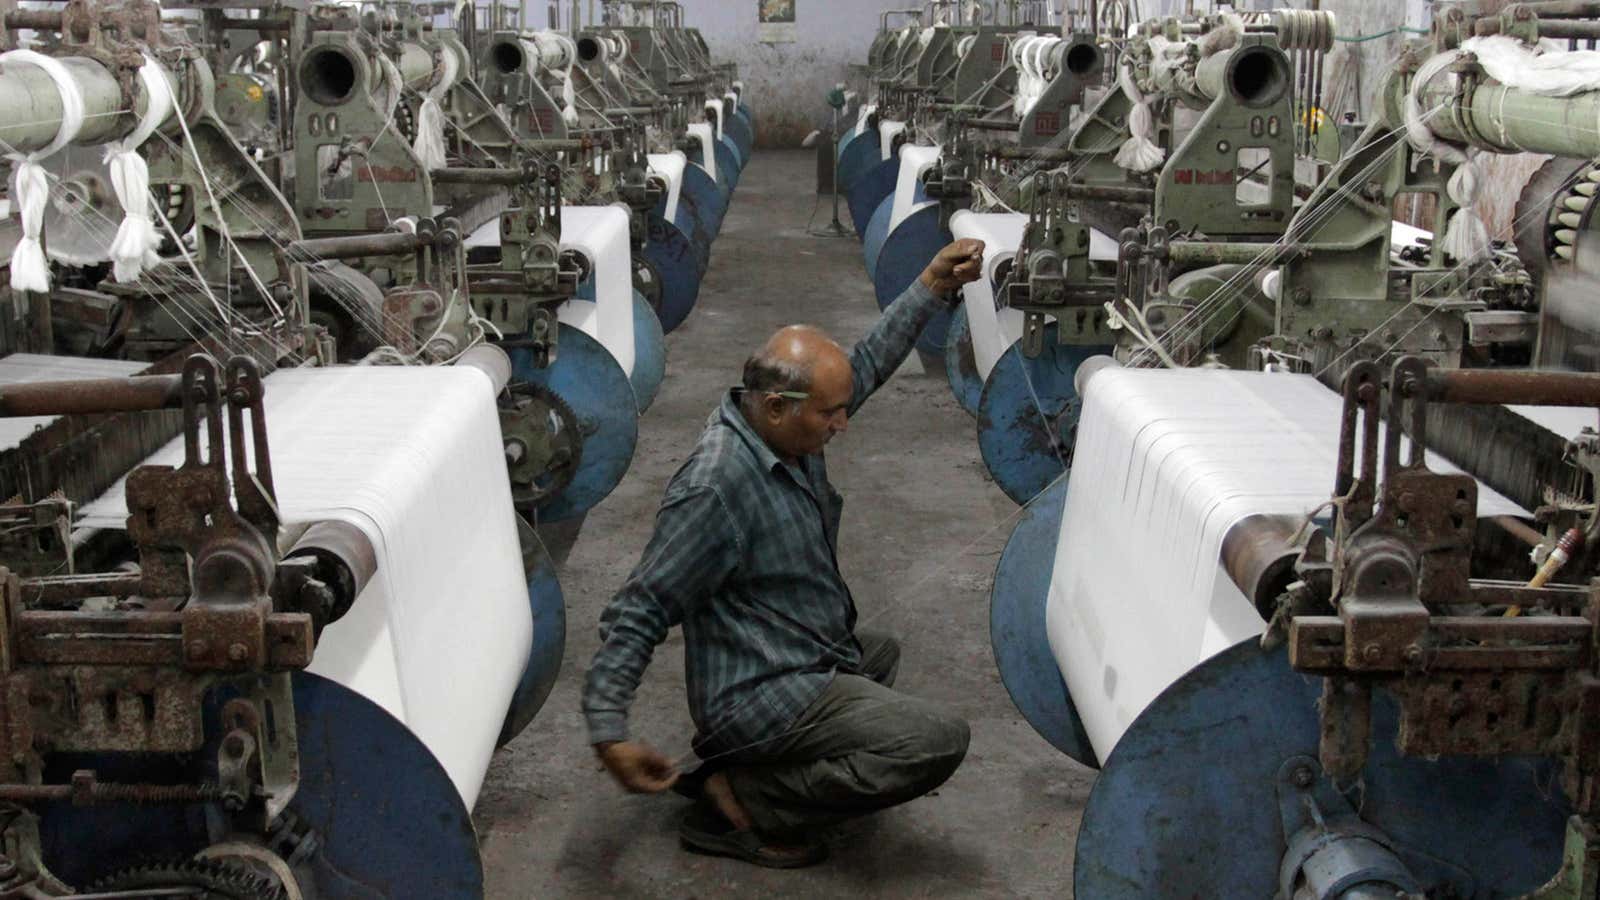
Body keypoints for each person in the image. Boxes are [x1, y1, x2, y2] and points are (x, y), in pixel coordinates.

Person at [583, 239, 986, 868]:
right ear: (776, 406)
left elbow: (867, 364)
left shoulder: (785, 431)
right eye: (831, 415)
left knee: (877, 653)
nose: (842, 426)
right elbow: (642, 607)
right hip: (753, 693)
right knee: (934, 741)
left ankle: (747, 765)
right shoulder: (715, 487)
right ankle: (746, 798)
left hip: (779, 658)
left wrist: (932, 284)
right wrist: (610, 729)